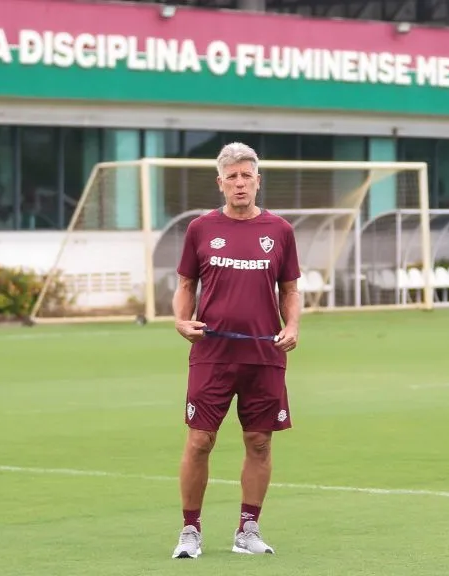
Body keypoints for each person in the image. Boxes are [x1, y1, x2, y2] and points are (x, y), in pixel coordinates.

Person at [170, 142, 302, 559]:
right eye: (232, 176)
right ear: (220, 183)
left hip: (265, 353)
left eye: (247, 175)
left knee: (259, 442)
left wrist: (293, 325)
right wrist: (180, 320)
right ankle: (190, 531)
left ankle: (248, 529)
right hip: (212, 353)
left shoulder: (280, 231)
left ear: (258, 181)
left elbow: (291, 289)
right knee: (199, 441)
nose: (240, 183)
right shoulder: (200, 229)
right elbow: (186, 285)